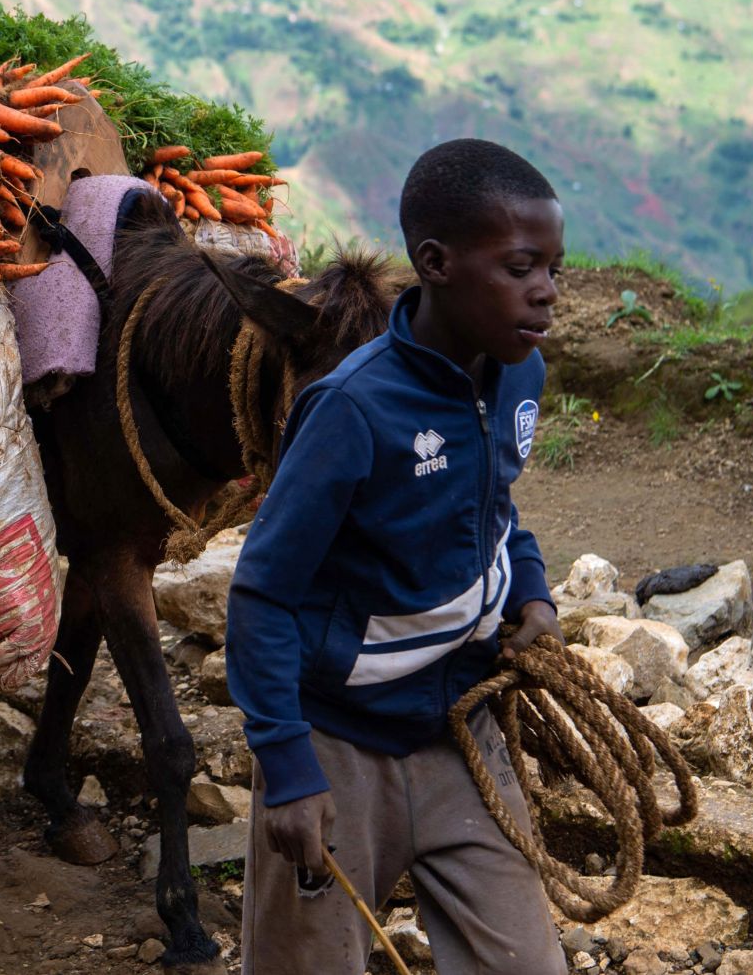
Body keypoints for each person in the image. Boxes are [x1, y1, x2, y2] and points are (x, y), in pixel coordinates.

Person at [227, 138, 568, 974]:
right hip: (338, 748)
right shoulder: (351, 409)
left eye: (555, 268)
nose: (547, 292)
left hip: (462, 729)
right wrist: (288, 766)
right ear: (437, 263)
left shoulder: (519, 375)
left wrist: (532, 592)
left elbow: (494, 506)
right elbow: (263, 595)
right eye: (522, 267)